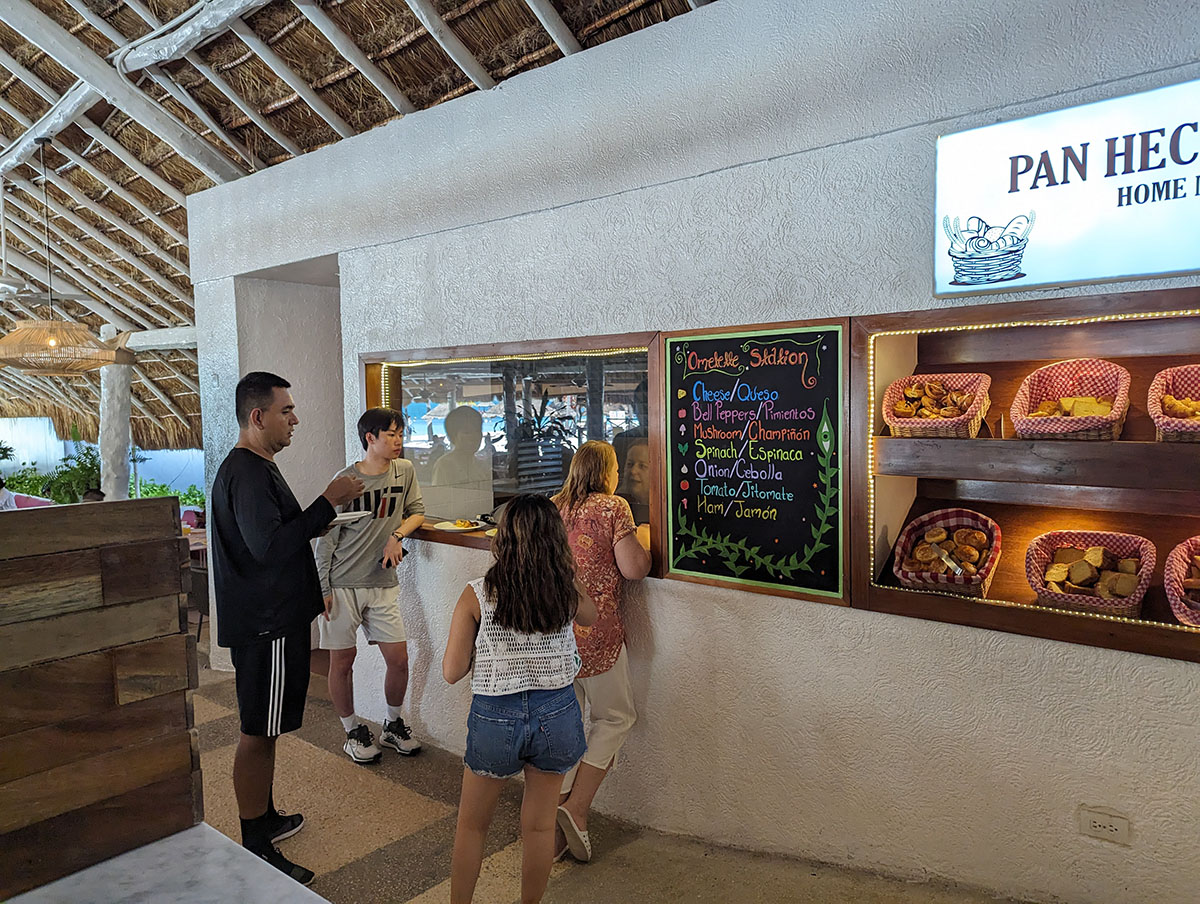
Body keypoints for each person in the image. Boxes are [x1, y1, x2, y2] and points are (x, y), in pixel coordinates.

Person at [209, 372, 364, 886]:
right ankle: (254, 840)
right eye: (286, 411)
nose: (295, 419)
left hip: (274, 619)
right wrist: (328, 500)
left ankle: (265, 816)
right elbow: (269, 548)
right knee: (258, 730)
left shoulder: (258, 469)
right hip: (266, 626)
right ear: (258, 416)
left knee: (269, 726)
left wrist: (319, 521)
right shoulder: (248, 473)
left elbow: (276, 534)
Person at [443, 494, 598, 904]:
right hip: (558, 713)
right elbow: (591, 616)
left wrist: (488, 650)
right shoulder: (564, 591)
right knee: (540, 827)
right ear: (555, 541)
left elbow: (451, 670)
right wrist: (569, 573)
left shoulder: (476, 596)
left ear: (502, 540)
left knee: (473, 826)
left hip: (496, 716)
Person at [551, 440, 651, 863]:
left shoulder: (554, 506)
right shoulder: (614, 508)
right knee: (615, 717)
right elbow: (633, 568)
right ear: (607, 473)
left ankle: (549, 824)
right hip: (596, 634)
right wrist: (642, 537)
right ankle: (575, 810)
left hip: (554, 636)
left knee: (567, 726)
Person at [314, 407, 426, 763]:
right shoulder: (346, 481)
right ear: (370, 438)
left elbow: (417, 512)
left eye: (400, 434)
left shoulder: (404, 471)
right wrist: (323, 588)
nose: (398, 441)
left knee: (399, 659)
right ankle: (352, 732)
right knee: (343, 662)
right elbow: (325, 538)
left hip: (382, 583)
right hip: (342, 582)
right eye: (391, 435)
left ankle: (392, 726)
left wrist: (397, 536)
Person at [431, 405, 490, 487]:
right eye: (467, 432)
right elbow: (440, 496)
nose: (475, 437)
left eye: (478, 431)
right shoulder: (445, 465)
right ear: (453, 436)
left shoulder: (481, 466)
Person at [615, 438, 650, 525]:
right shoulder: (615, 505)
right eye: (630, 464)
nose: (633, 471)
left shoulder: (666, 506)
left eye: (642, 466)